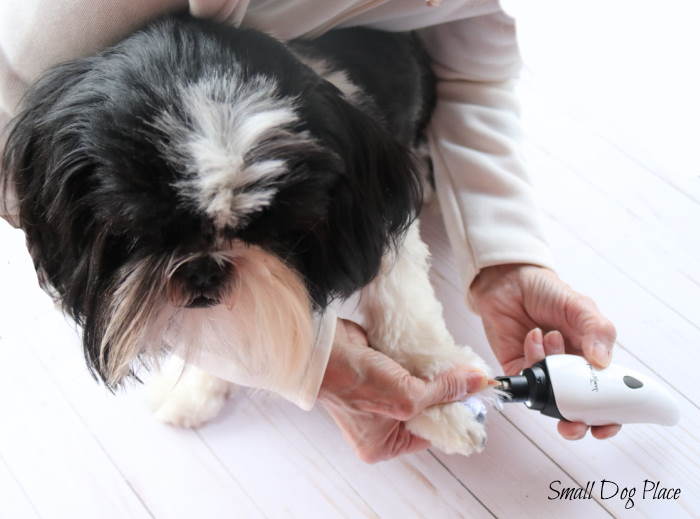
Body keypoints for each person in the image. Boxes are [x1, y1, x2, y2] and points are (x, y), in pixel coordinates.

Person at [0, 0, 620, 463]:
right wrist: (305, 367)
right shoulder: (70, 30)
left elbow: (471, 70)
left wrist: (506, 258)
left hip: (354, 121)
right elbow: (19, 165)